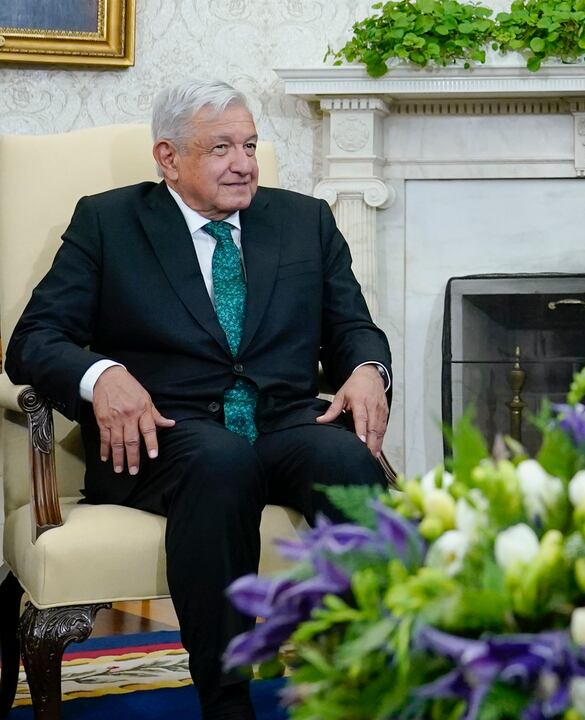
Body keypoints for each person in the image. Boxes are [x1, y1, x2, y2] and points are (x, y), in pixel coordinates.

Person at [4, 80, 392, 720]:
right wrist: (102, 374)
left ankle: (376, 681)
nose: (244, 164)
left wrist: (368, 369)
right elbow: (34, 340)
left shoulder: (305, 221)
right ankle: (227, 699)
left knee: (348, 462)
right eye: (221, 148)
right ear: (168, 158)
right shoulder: (108, 222)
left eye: (250, 146)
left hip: (281, 424)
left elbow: (353, 326)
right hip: (163, 436)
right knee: (221, 462)